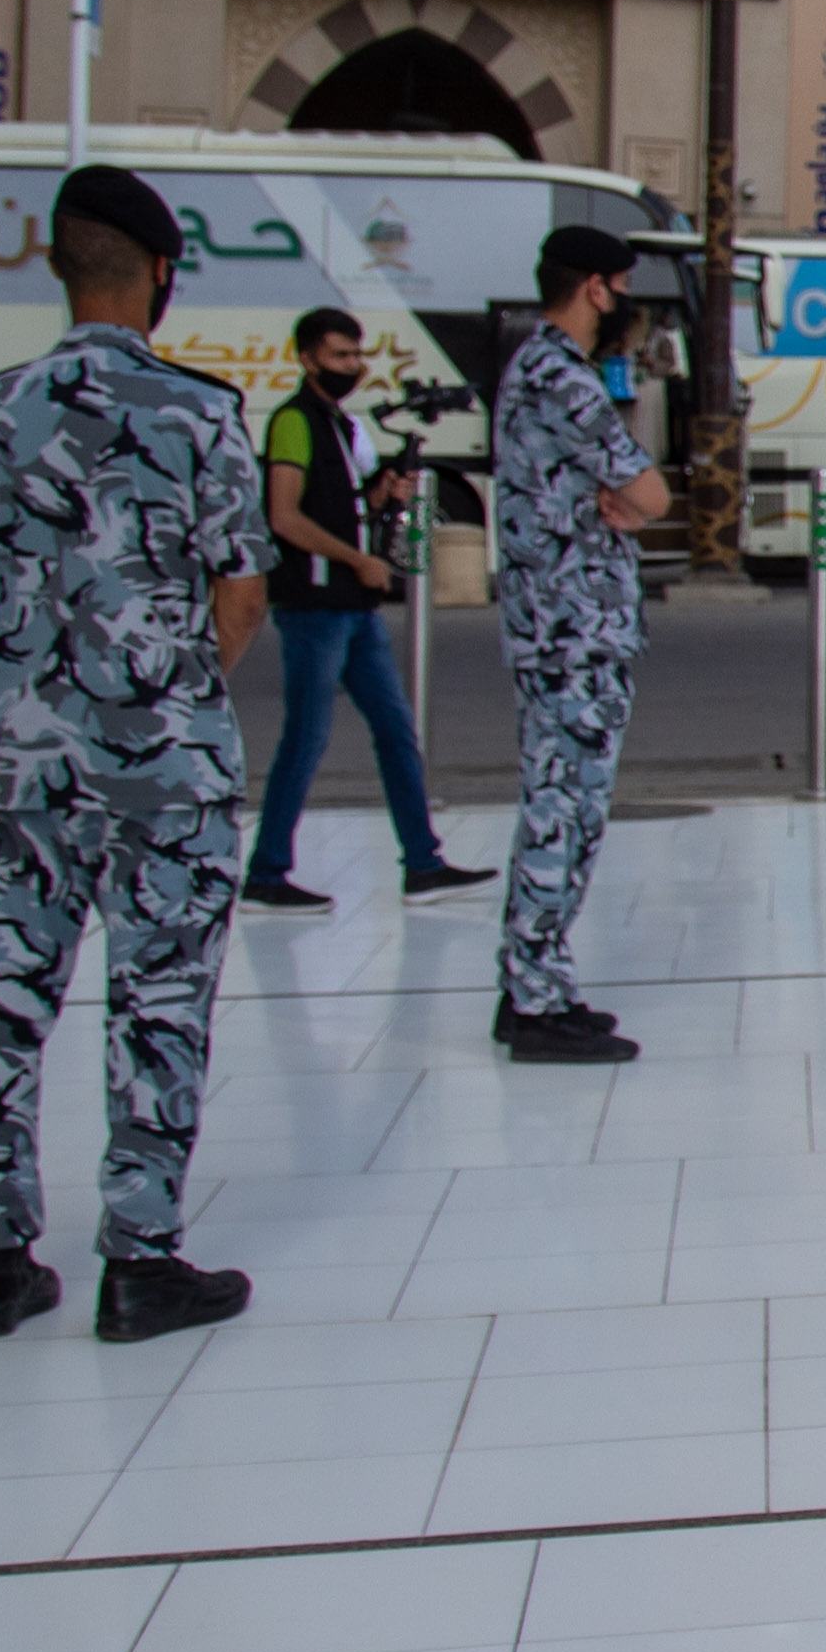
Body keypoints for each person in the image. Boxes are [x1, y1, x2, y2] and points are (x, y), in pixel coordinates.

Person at [0, 165, 272, 1340]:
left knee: (5, 1001)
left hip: (25, 760)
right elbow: (240, 591)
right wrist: (169, 695)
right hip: (165, 763)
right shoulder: (198, 413)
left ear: (60, 267)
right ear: (160, 274)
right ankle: (140, 1260)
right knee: (160, 1002)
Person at [242, 308, 492, 914]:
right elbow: (284, 516)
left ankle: (424, 863)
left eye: (356, 357)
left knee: (395, 732)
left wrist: (381, 493)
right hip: (316, 604)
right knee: (306, 737)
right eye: (338, 358)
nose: (351, 368)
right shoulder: (294, 424)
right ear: (306, 359)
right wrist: (357, 560)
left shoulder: (337, 424)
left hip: (352, 608)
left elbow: (343, 501)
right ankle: (267, 872)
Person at [491, 226, 668, 1064]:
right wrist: (632, 498)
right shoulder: (564, 380)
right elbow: (652, 490)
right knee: (564, 811)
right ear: (596, 288)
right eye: (623, 286)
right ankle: (534, 999)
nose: (628, 303)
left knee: (564, 807)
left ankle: (536, 977)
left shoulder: (535, 371)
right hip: (571, 629)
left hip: (560, 623)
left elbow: (626, 492)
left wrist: (622, 498)